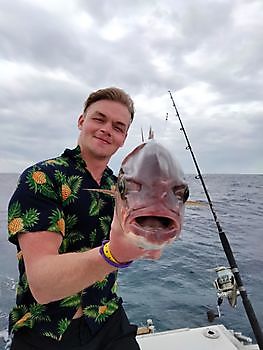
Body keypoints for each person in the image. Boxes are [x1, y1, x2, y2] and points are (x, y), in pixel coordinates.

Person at [7, 87, 161, 350]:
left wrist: (152, 236)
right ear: (82, 121)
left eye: (118, 126)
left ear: (123, 138)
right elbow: (43, 286)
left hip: (108, 318)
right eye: (99, 119)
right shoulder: (41, 177)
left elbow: (147, 240)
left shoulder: (122, 187)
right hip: (46, 331)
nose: (106, 129)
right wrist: (114, 254)